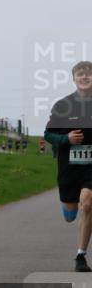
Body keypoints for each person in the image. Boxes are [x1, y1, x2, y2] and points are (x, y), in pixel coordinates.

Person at [43, 61, 92, 272]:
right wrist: (66, 139)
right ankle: (69, 209)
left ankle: (81, 255)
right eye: (80, 74)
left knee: (87, 204)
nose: (85, 77)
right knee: (71, 214)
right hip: (69, 168)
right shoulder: (63, 105)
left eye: (89, 73)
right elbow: (48, 135)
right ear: (74, 79)